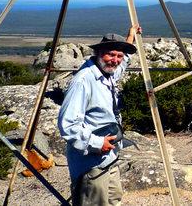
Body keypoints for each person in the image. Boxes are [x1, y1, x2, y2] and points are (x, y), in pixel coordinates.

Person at [58, 25, 141, 206]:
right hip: (91, 161)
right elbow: (68, 124)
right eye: (110, 54)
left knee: (113, 199)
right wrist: (97, 143)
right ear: (98, 53)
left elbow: (122, 64)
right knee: (94, 201)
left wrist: (130, 38)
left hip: (109, 157)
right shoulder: (83, 80)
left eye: (118, 56)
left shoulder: (106, 72)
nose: (115, 60)